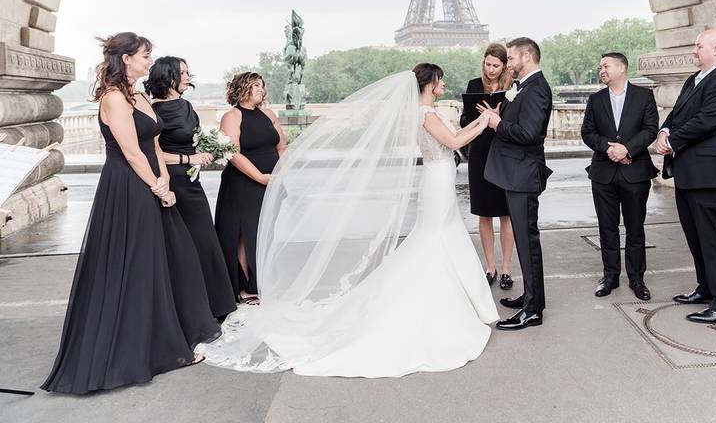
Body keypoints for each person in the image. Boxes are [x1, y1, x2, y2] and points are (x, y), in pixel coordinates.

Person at [199, 67, 498, 377]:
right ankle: (446, 300)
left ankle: (467, 298)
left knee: (441, 235)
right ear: (430, 84)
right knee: (434, 237)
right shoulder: (427, 114)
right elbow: (454, 140)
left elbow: (282, 144)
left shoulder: (426, 111)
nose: (445, 84)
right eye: (441, 80)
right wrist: (485, 121)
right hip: (437, 180)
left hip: (439, 179)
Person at [42, 33, 218, 394]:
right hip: (128, 187)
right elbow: (131, 152)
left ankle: (167, 339)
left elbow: (154, 142)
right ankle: (147, 351)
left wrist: (167, 179)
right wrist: (157, 186)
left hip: (155, 180)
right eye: (144, 55)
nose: (149, 61)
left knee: (172, 260)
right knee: (138, 266)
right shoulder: (113, 98)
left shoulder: (139, 95)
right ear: (125, 59)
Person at [655, 28, 716, 324]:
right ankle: (706, 288)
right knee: (695, 236)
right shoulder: (694, 79)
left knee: (713, 239)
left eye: (699, 46)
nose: (694, 51)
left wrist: (672, 141)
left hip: (712, 176)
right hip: (690, 174)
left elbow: (707, 121)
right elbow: (677, 114)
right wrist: (665, 129)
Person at [147, 56, 237, 320]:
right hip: (172, 180)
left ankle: (214, 304)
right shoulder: (155, 112)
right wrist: (189, 159)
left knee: (204, 240)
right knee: (185, 243)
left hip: (191, 180)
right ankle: (191, 308)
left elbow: (192, 142)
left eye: (187, 73)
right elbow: (151, 153)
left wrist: (209, 150)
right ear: (168, 77)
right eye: (183, 73)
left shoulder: (186, 105)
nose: (188, 77)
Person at [483, 37, 553, 331]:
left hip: (523, 175)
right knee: (525, 243)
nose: (507, 63)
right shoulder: (524, 87)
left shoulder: (536, 89)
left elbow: (530, 134)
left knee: (528, 242)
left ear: (527, 56)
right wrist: (501, 115)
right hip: (517, 174)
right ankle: (530, 297)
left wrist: (497, 124)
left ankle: (533, 310)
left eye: (511, 58)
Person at [580, 52, 659, 301]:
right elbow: (587, 133)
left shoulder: (644, 96)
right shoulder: (595, 100)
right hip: (603, 173)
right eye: (599, 66)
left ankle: (637, 279)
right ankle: (610, 276)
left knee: (635, 228)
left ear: (621, 67)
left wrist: (627, 149)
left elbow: (650, 129)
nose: (601, 69)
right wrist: (609, 148)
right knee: (607, 228)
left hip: (635, 172)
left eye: (606, 65)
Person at [215, 72, 286, 305]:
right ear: (242, 88)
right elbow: (232, 152)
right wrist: (260, 177)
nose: (261, 89)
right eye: (255, 85)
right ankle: (245, 287)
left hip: (271, 181)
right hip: (244, 182)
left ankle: (262, 280)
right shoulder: (232, 116)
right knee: (246, 233)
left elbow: (282, 147)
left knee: (267, 232)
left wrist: (280, 173)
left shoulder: (269, 114)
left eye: (262, 85)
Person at [460, 43, 515, 289]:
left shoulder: (512, 87)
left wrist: (497, 117)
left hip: (504, 153)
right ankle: (490, 266)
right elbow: (464, 119)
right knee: (484, 213)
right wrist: (481, 117)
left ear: (504, 65)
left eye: (496, 65)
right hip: (481, 153)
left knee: (506, 213)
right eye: (487, 64)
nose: (491, 69)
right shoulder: (474, 85)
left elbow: (517, 122)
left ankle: (506, 269)